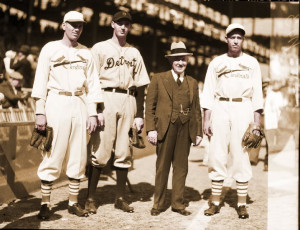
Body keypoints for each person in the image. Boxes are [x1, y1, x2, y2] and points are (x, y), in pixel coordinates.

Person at [31, 11, 104, 220]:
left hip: (80, 102)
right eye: (72, 24)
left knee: (79, 154)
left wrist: (92, 113)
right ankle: (45, 203)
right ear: (63, 25)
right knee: (52, 153)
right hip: (57, 101)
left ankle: (73, 202)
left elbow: (93, 85)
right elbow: (40, 83)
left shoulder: (86, 53)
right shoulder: (50, 48)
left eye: (80, 25)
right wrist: (40, 111)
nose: (76, 29)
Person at [85, 11, 150, 214]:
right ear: (112, 24)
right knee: (101, 150)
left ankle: (120, 198)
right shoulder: (100, 48)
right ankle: (90, 198)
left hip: (128, 99)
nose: (123, 27)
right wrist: (96, 109)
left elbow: (141, 85)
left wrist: (139, 115)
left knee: (124, 150)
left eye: (127, 24)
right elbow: (91, 81)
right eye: (120, 23)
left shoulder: (134, 52)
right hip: (106, 97)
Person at [201, 23, 264, 219]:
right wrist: (206, 119)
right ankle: (215, 201)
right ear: (226, 39)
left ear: (243, 40)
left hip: (242, 106)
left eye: (239, 37)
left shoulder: (252, 62)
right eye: (232, 37)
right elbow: (209, 92)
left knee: (241, 153)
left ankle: (242, 203)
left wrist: (256, 124)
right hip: (220, 106)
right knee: (217, 153)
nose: (236, 40)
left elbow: (257, 95)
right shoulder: (216, 62)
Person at [145, 41, 203, 216]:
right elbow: (150, 107)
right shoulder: (158, 79)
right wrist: (151, 129)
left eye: (183, 59)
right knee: (162, 167)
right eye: (177, 59)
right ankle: (158, 204)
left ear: (187, 61)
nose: (180, 62)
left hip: (185, 129)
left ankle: (178, 203)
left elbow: (196, 109)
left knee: (181, 167)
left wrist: (198, 132)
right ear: (171, 61)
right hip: (165, 128)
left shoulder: (192, 82)